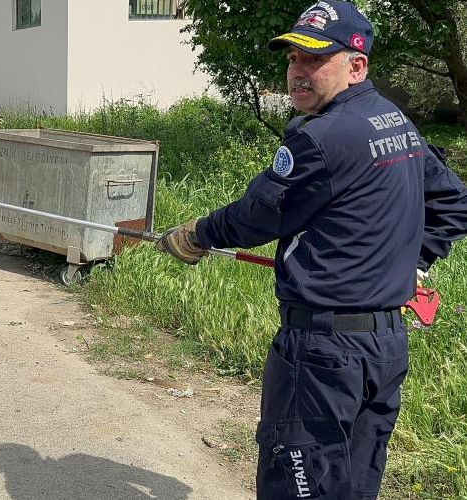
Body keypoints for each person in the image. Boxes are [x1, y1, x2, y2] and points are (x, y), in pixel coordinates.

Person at [157, 1, 467, 498]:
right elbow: (455, 203)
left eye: (315, 59)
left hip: (323, 353)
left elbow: (256, 217)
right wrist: (408, 263)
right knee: (351, 486)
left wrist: (196, 235)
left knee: (298, 485)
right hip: (383, 349)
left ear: (356, 65)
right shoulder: (394, 122)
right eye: (292, 59)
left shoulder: (322, 138)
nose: (298, 72)